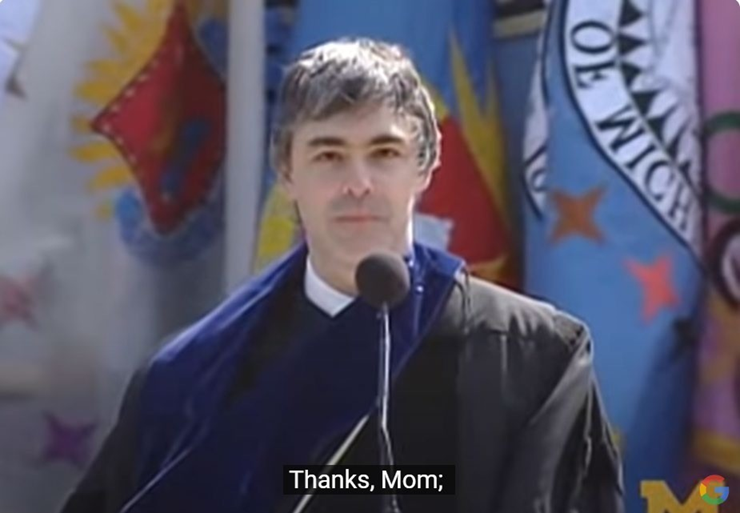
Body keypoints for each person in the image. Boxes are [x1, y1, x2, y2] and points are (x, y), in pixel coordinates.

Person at [59, 37, 624, 513]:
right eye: (329, 155)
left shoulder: (533, 359)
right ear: (286, 171)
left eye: (384, 153)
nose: (358, 183)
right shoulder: (188, 380)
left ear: (425, 166)